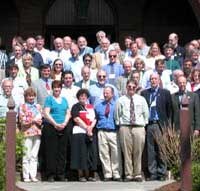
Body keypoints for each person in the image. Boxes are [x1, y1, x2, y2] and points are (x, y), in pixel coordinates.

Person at [115, 79, 149, 182]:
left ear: (136, 88)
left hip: (138, 127)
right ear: (126, 87)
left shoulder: (141, 99)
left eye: (133, 87)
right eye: (129, 87)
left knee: (138, 151)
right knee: (126, 151)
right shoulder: (120, 100)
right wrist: (120, 125)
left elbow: (145, 113)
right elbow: (117, 114)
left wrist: (143, 124)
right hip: (125, 127)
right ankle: (128, 174)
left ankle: (137, 174)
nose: (131, 89)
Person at [141, 73, 172, 181]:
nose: (153, 81)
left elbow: (169, 111)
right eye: (151, 79)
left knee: (161, 149)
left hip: (160, 124)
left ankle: (162, 172)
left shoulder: (165, 93)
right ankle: (152, 173)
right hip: (149, 124)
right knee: (150, 150)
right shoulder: (144, 93)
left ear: (159, 80)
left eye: (155, 79)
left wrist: (168, 127)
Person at [43, 80, 71, 182]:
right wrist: (55, 124)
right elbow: (46, 113)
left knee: (62, 152)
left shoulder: (64, 100)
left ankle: (61, 174)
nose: (57, 89)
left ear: (61, 88)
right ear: (52, 88)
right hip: (51, 127)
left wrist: (64, 123)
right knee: (51, 151)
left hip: (63, 127)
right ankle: (51, 174)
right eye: (55, 87)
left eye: (58, 87)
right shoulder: (49, 99)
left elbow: (68, 113)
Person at [95, 86, 122, 181]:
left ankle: (116, 174)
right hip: (102, 131)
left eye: (107, 93)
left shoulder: (117, 105)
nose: (105, 95)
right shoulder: (98, 106)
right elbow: (96, 118)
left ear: (112, 94)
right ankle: (107, 174)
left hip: (113, 131)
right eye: (104, 93)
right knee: (104, 154)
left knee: (115, 153)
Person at [70, 89, 97, 182]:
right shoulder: (75, 107)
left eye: (85, 96)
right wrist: (87, 128)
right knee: (80, 154)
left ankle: (89, 174)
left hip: (90, 133)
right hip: (79, 132)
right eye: (81, 96)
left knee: (90, 154)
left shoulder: (90, 107)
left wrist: (90, 128)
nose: (83, 97)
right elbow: (76, 119)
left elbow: (95, 119)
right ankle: (81, 175)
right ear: (78, 97)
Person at [18, 87, 43, 182]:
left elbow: (40, 120)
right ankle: (26, 176)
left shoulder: (38, 106)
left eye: (32, 96)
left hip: (37, 132)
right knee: (26, 154)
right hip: (27, 132)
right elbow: (22, 121)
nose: (31, 97)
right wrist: (33, 120)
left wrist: (34, 120)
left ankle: (33, 175)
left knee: (34, 155)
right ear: (26, 97)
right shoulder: (22, 106)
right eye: (29, 96)